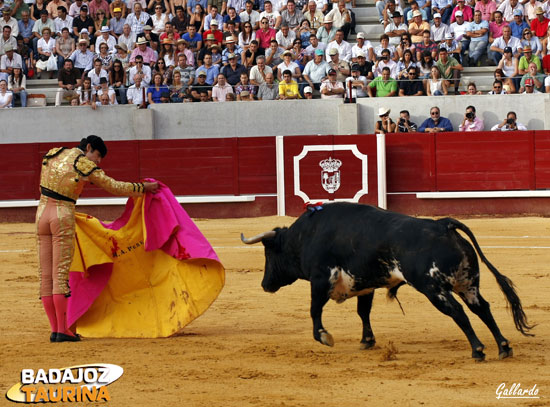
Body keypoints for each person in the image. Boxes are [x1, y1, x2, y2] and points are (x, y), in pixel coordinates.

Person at [36, 136, 159, 343]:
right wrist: (142, 188)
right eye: (98, 155)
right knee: (60, 275)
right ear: (89, 147)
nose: (98, 161)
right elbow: (114, 186)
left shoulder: (53, 153)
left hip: (40, 214)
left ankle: (55, 329)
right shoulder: (83, 163)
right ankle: (63, 330)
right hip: (62, 215)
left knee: (46, 276)